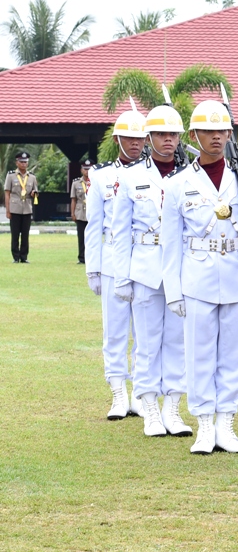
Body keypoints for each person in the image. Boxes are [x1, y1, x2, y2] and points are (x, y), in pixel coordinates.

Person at [161, 99, 238, 454]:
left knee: (233, 355)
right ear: (194, 135)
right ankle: (204, 426)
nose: (216, 137)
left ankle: (226, 424)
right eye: (208, 131)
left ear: (230, 134)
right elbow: (170, 243)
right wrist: (173, 292)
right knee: (198, 354)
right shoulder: (179, 184)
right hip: (197, 278)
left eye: (222, 130)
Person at [110, 103, 191, 438]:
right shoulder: (131, 178)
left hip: (181, 271)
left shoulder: (190, 177)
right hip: (144, 268)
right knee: (147, 343)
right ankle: (150, 411)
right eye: (160, 133)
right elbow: (119, 231)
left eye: (173, 134)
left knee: (177, 342)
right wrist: (122, 277)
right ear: (148, 137)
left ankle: (173, 408)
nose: (168, 139)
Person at [85, 110, 147, 419]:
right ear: (117, 140)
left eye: (139, 138)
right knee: (115, 332)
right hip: (111, 261)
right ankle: (117, 394)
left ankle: (138, 393)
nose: (135, 144)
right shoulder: (101, 176)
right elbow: (94, 225)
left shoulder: (154, 173)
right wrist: (93, 269)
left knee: (144, 331)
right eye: (129, 138)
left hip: (145, 260)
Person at [5, 151, 38, 263]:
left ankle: (24, 257)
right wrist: (8, 210)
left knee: (25, 234)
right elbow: (7, 193)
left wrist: (34, 193)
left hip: (27, 208)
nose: (23, 164)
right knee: (15, 234)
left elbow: (35, 190)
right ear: (17, 163)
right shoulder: (11, 176)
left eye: (25, 162)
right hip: (14, 207)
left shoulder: (32, 177)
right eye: (21, 162)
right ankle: (15, 256)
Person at [70, 160, 92, 263]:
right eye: (85, 169)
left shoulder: (95, 182)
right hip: (80, 212)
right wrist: (72, 213)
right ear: (81, 170)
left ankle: (91, 257)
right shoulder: (76, 183)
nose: (87, 171)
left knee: (92, 237)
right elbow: (73, 199)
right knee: (81, 237)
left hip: (92, 213)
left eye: (89, 168)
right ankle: (82, 258)